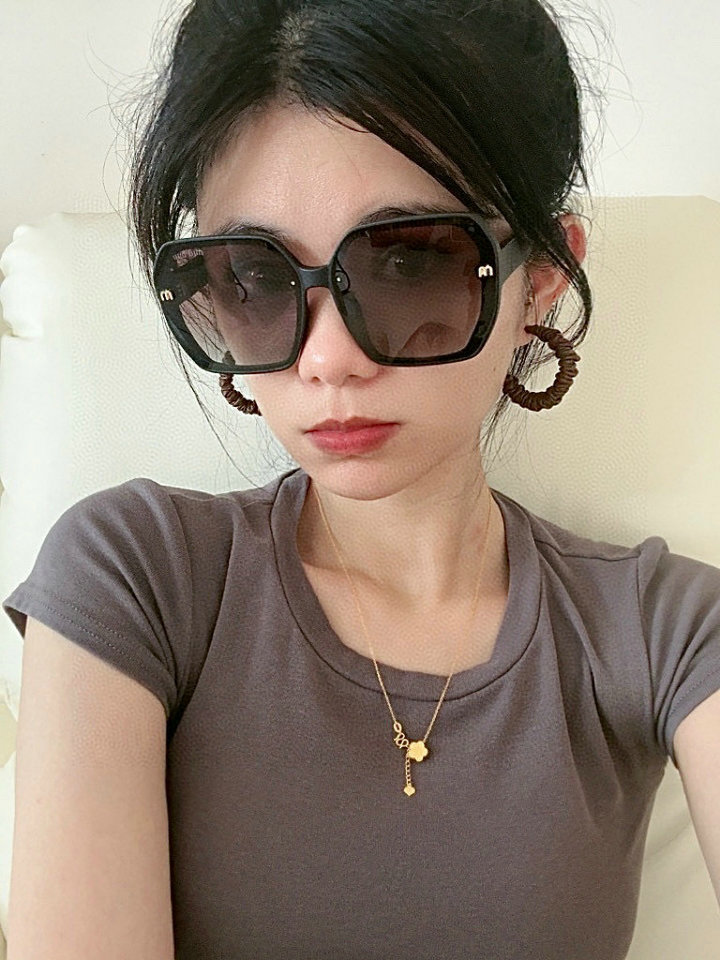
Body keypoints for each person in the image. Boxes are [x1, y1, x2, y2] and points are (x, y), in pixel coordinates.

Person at [3, 1, 719, 959]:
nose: (327, 359)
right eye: (254, 278)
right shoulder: (135, 576)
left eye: (411, 262)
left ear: (543, 275)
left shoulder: (665, 632)